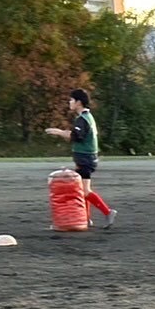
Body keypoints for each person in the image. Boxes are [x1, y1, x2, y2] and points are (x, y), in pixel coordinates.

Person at [45, 89, 116, 228]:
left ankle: (108, 212)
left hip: (85, 158)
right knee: (83, 190)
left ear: (78, 102)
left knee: (85, 190)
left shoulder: (82, 119)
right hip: (87, 158)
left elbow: (76, 136)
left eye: (71, 100)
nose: (69, 102)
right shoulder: (87, 117)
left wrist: (59, 132)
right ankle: (87, 219)